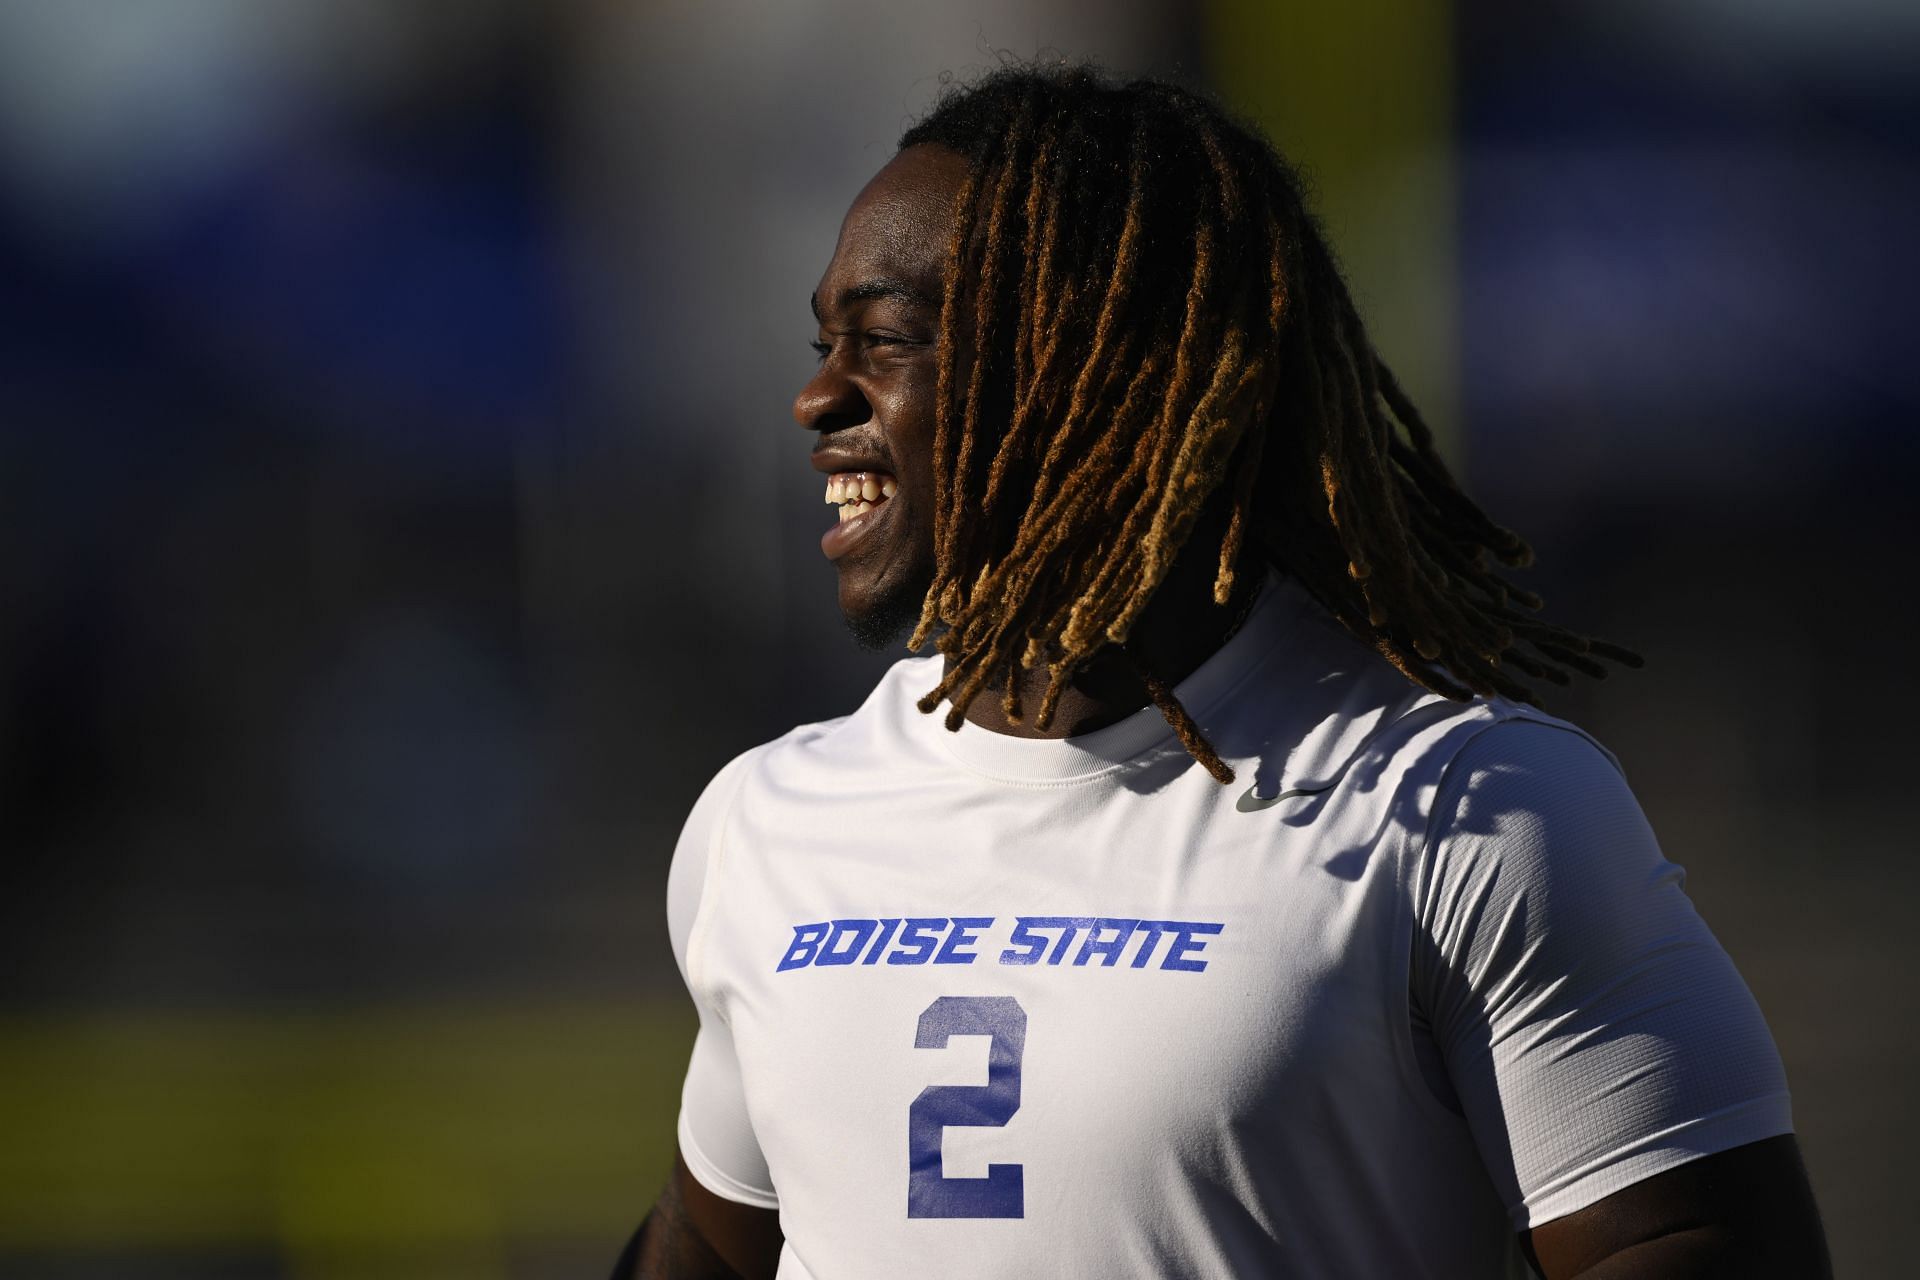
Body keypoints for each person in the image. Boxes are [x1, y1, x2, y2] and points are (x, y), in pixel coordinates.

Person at [614, 65, 1828, 1279]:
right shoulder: (765, 823)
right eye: (826, 343)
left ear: (1094, 366)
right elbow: (706, 1253)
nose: (817, 395)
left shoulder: (1466, 810)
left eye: (881, 340)